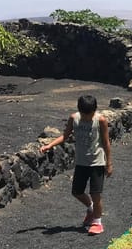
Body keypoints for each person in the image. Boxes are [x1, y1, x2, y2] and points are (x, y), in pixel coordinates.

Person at [39, 95, 113, 235]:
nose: (86, 118)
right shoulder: (74, 119)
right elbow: (65, 136)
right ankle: (91, 208)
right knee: (77, 192)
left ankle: (97, 222)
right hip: (81, 163)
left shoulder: (100, 120)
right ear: (79, 111)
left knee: (95, 193)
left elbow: (106, 143)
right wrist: (49, 145)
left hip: (97, 163)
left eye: (89, 115)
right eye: (84, 115)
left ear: (95, 110)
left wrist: (109, 163)